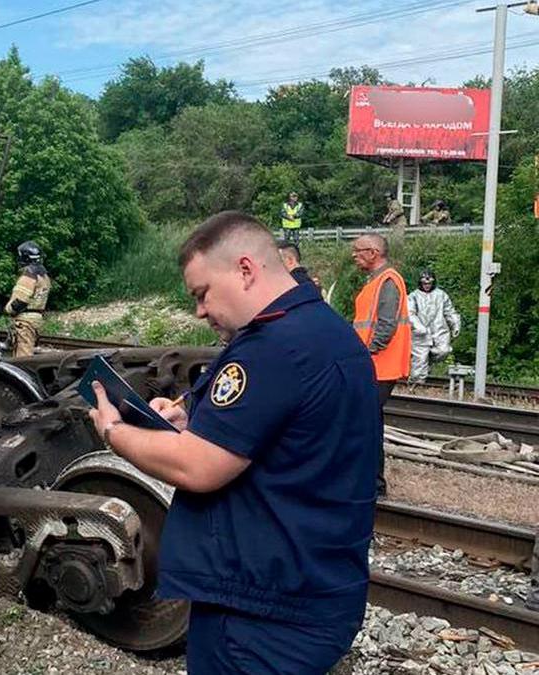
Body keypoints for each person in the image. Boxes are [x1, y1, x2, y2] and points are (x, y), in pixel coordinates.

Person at [88, 211, 379, 674]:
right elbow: (276, 429)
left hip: (260, 611)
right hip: (314, 589)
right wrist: (192, 416)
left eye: (202, 294)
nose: (199, 311)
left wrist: (113, 432)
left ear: (245, 270)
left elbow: (197, 468)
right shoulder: (325, 330)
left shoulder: (272, 348)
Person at [351, 233, 410, 496]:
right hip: (374, 364)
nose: (354, 255)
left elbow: (385, 327)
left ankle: (374, 484)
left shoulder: (387, 281)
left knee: (366, 423)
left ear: (373, 253)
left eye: (358, 251)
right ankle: (372, 482)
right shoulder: (379, 281)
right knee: (368, 422)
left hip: (379, 365)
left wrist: (364, 353)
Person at [407, 269, 460, 383]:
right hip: (420, 333)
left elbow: (449, 311)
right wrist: (418, 327)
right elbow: (409, 313)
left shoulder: (441, 295)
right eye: (424, 283)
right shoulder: (413, 296)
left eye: (429, 283)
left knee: (444, 351)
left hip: (439, 330)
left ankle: (428, 360)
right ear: (420, 283)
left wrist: (455, 324)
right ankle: (417, 384)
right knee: (419, 359)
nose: (427, 285)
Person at [4, 241, 51, 358]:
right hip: (37, 318)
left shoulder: (28, 276)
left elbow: (21, 301)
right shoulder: (44, 276)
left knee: (23, 357)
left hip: (25, 321)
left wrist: (8, 310)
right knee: (29, 349)